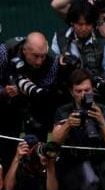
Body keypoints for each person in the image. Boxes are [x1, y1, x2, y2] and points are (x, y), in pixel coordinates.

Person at [0, 32, 62, 164]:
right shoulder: (5, 51)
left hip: (36, 105)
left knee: (37, 147)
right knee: (7, 146)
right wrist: (4, 91)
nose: (40, 61)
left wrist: (26, 89)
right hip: (6, 103)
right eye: (35, 56)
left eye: (43, 56)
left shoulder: (52, 59)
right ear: (24, 50)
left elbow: (46, 89)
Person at [51, 1, 105, 85]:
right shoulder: (59, 38)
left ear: (93, 24)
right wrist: (59, 62)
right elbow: (52, 67)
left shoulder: (104, 43)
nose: (83, 28)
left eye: (88, 24)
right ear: (72, 22)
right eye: (80, 24)